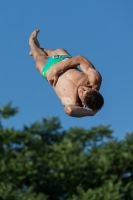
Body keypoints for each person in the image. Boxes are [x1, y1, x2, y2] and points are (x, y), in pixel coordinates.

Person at [29, 30, 104, 117]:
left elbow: (69, 110)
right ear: (95, 90)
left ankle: (32, 43)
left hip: (47, 69)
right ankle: (38, 49)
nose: (81, 90)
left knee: (39, 57)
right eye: (86, 89)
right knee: (57, 50)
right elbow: (80, 59)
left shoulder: (73, 102)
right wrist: (57, 69)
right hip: (63, 59)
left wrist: (91, 113)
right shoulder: (94, 79)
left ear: (83, 103)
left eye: (82, 94)